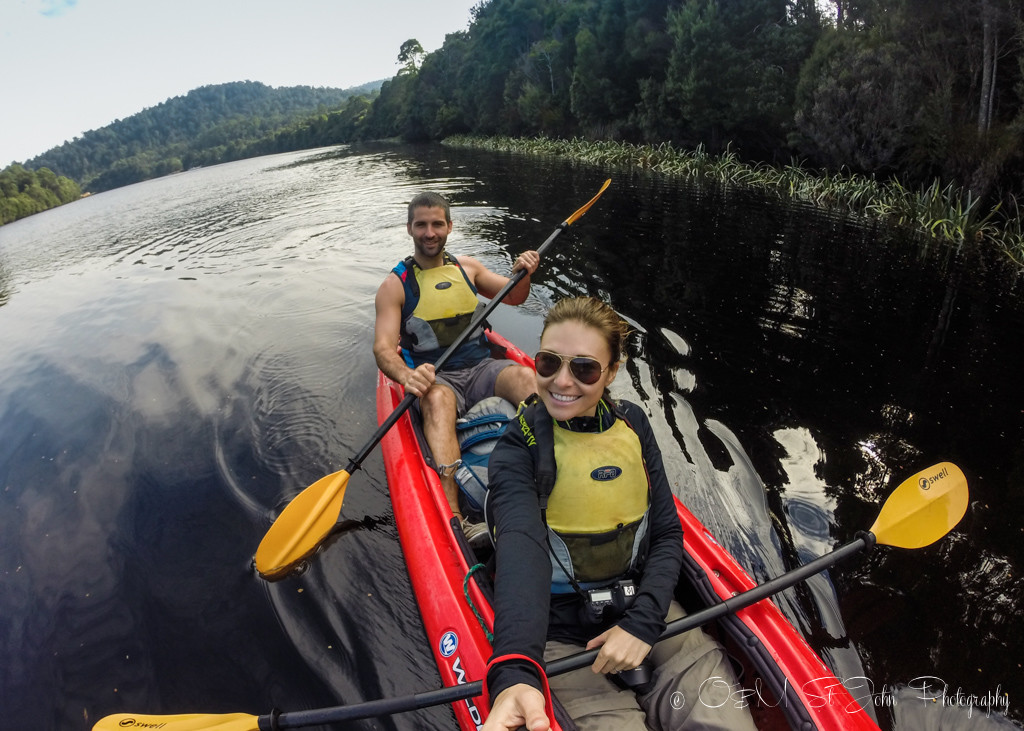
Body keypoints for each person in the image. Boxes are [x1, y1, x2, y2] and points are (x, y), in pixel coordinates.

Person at [482, 297, 757, 731]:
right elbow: (521, 548)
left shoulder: (633, 424)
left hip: (649, 606)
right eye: (549, 362)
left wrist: (643, 622)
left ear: (611, 372)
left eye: (585, 368)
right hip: (557, 631)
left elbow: (666, 533)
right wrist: (515, 670)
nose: (562, 381)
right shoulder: (517, 449)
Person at [373, 191, 540, 544]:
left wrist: (522, 273)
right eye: (421, 225)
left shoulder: (469, 268)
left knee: (528, 377)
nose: (429, 232)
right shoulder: (394, 286)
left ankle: (552, 471)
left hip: (482, 368)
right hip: (438, 378)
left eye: (437, 224)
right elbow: (384, 348)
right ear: (409, 228)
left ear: (449, 226)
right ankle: (457, 517)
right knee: (438, 402)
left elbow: (515, 296)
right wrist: (407, 376)